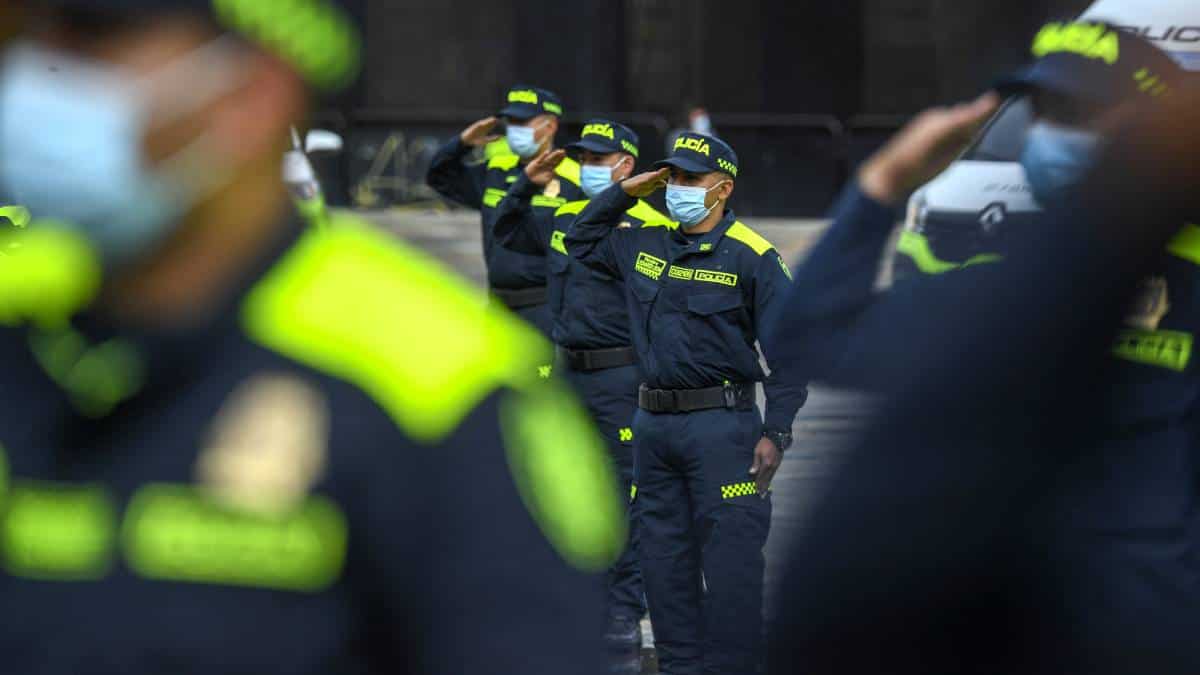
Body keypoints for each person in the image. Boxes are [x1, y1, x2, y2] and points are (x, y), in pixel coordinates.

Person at [0, 2, 624, 673]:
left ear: (252, 93)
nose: (39, 79)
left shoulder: (440, 389)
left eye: (95, 40)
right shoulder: (18, 318)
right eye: (28, 37)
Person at [765, 22, 1200, 674]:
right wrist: (886, 180)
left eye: (1079, 115)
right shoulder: (1013, 289)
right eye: (1044, 113)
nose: (1049, 136)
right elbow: (808, 333)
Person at [565, 132, 807, 675]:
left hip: (724, 430)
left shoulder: (753, 256)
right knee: (664, 568)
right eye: (671, 176)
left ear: (723, 188)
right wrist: (627, 191)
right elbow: (580, 240)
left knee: (732, 570)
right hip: (654, 428)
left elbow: (793, 354)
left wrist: (778, 432)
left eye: (689, 179)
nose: (676, 187)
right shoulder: (646, 243)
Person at [492, 119, 666, 667]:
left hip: (621, 376)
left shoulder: (652, 226)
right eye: (585, 158)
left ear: (626, 166)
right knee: (561, 486)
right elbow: (506, 232)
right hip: (566, 373)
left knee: (626, 495)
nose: (589, 167)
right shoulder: (567, 215)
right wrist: (525, 184)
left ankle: (621, 609)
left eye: (602, 159)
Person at [426, 85, 583, 337]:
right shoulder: (496, 170)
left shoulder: (576, 179)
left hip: (547, 308)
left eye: (523, 122)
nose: (515, 130)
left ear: (550, 126)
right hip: (497, 307)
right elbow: (439, 177)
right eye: (511, 122)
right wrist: (462, 144)